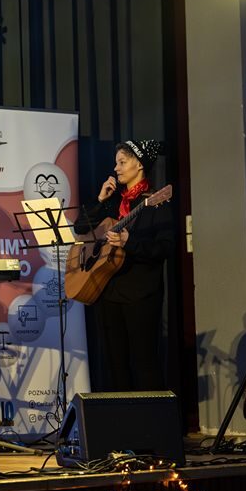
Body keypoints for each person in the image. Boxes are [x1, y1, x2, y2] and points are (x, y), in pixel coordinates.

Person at [74, 139, 173, 392]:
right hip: (108, 289)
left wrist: (131, 242)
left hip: (141, 294)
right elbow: (80, 228)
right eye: (116, 163)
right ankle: (120, 416)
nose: (116, 168)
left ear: (139, 165)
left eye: (122, 162)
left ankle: (151, 417)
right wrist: (100, 200)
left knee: (144, 363)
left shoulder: (156, 202)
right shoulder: (112, 200)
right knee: (114, 366)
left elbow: (165, 248)